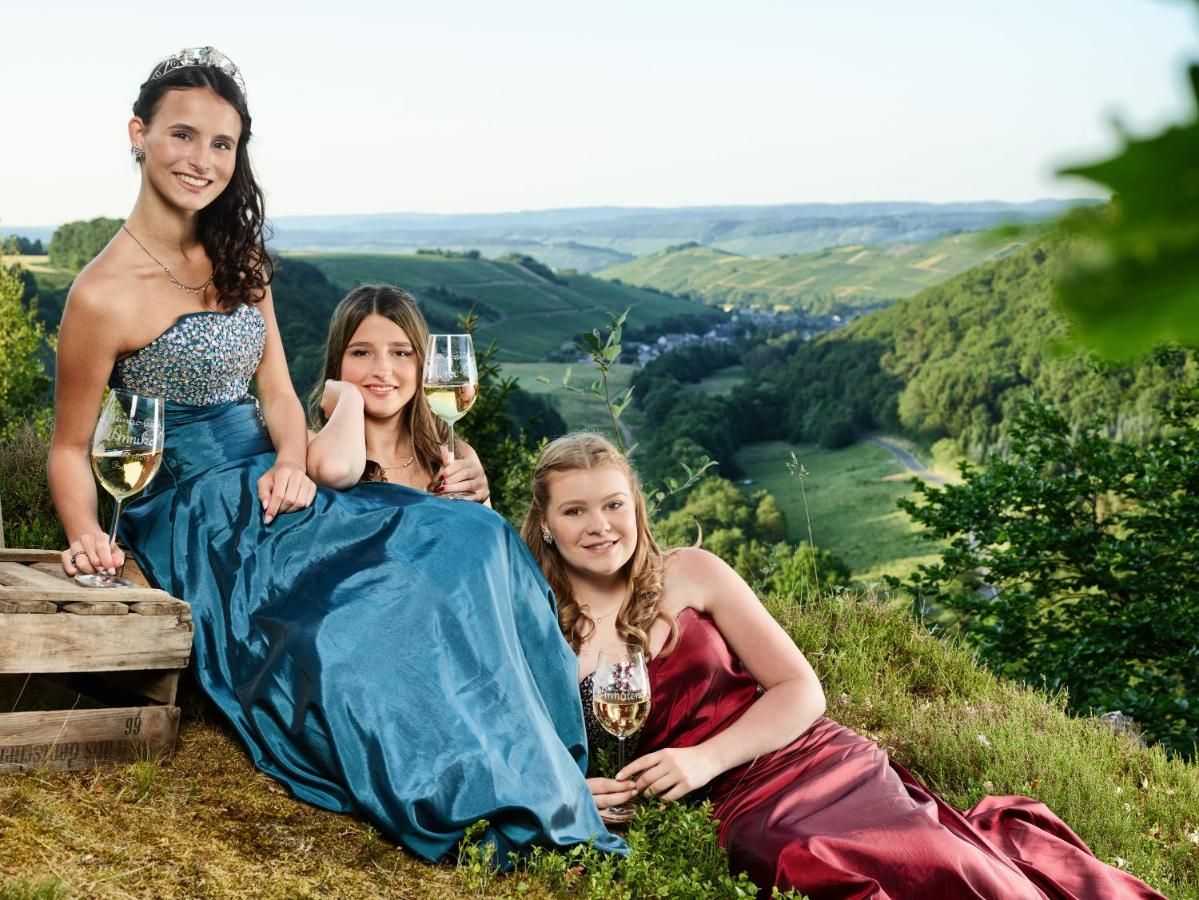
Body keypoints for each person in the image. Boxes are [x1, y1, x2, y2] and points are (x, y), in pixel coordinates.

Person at [48, 46, 623, 863]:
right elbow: (72, 449)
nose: (203, 160)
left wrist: (290, 456)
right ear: (137, 135)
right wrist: (84, 532)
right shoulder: (101, 294)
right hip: (196, 510)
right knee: (365, 619)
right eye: (183, 135)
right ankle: (466, 782)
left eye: (223, 143)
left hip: (273, 477)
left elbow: (280, 392)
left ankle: (544, 763)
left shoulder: (239, 257)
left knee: (471, 539)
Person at [520, 432, 1166, 900]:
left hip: (805, 758)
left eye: (613, 505)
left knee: (958, 870)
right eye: (574, 511)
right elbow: (506, 741)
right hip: (729, 809)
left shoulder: (691, 571)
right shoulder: (527, 617)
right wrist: (569, 791)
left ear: (636, 508)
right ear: (545, 525)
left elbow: (800, 689)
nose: (599, 526)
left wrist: (705, 757)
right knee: (816, 861)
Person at [304, 284, 489, 501]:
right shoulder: (308, 449)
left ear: (423, 363)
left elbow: (484, 535)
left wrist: (480, 506)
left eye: (400, 353)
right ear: (338, 361)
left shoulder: (457, 456)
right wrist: (349, 398)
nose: (382, 371)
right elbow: (336, 469)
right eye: (361, 352)